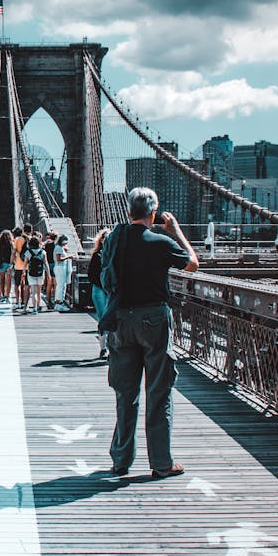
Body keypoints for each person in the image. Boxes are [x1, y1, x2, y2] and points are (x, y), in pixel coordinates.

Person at [104, 187, 198, 479]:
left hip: (120, 320)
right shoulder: (160, 242)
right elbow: (193, 264)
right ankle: (161, 462)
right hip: (153, 321)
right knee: (158, 392)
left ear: (129, 211)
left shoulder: (114, 239)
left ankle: (121, 460)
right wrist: (176, 231)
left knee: (125, 392)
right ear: (153, 214)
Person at [86, 228, 109, 357]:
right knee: (103, 318)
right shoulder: (97, 255)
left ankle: (111, 347)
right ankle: (103, 348)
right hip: (100, 289)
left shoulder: (116, 255)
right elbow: (91, 275)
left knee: (113, 319)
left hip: (110, 290)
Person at [24, 234, 49, 313]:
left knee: (33, 292)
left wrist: (23, 272)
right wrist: (49, 275)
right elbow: (46, 264)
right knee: (39, 292)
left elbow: (25, 264)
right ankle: (38, 307)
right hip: (40, 273)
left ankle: (34, 309)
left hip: (31, 273)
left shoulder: (28, 252)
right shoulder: (43, 252)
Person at [0, 228, 14, 302]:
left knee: (1, 280)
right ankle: (7, 296)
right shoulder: (11, 243)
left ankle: (2, 295)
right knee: (8, 281)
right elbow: (13, 254)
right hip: (9, 263)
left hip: (1, 264)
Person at [52, 233, 72, 308]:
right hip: (60, 267)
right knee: (61, 285)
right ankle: (59, 302)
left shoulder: (59, 247)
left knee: (62, 285)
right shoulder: (58, 248)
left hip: (60, 267)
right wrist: (68, 256)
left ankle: (60, 301)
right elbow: (58, 259)